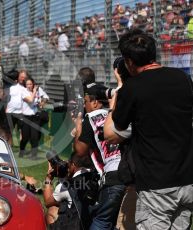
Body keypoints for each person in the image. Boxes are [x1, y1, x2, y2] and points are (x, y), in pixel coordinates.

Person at [104, 29, 193, 229]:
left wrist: (115, 97)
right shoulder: (183, 78)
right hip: (188, 179)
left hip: (156, 184)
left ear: (129, 61)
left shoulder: (132, 87)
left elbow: (113, 131)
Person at [73, 84, 126, 230]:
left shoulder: (91, 117)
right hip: (131, 173)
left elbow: (80, 150)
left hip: (113, 175)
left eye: (86, 102)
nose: (85, 106)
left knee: (102, 220)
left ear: (95, 102)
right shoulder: (120, 112)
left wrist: (78, 128)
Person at [43, 153, 95, 230]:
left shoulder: (67, 186)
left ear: (73, 165)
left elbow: (48, 202)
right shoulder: (94, 177)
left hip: (76, 226)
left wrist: (48, 179)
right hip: (94, 223)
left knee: (52, 209)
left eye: (69, 164)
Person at [5, 70, 37, 149]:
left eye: (24, 77)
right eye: (21, 77)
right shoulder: (12, 87)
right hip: (10, 112)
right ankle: (8, 146)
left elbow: (31, 100)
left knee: (24, 132)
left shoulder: (27, 89)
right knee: (9, 131)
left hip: (22, 113)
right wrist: (6, 107)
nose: (22, 78)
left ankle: (22, 148)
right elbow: (8, 98)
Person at [19, 77, 41, 159]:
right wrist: (35, 91)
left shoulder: (36, 93)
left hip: (34, 117)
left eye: (30, 84)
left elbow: (37, 102)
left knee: (34, 137)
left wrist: (39, 104)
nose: (29, 86)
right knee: (25, 137)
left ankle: (34, 155)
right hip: (26, 117)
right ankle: (22, 151)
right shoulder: (23, 92)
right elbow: (31, 100)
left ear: (33, 84)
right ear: (25, 85)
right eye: (27, 84)